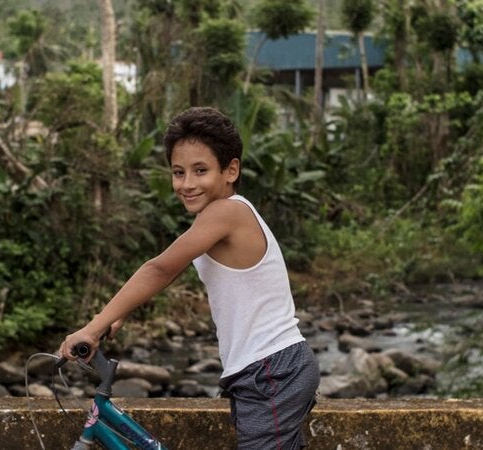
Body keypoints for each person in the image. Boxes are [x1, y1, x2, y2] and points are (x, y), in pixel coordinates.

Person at [59, 106, 319, 449]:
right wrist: (117, 316)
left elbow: (160, 268)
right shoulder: (223, 215)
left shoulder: (226, 212)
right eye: (178, 172)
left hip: (271, 371)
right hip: (263, 371)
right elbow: (172, 274)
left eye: (200, 170)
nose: (187, 184)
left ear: (231, 170)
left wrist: (93, 326)